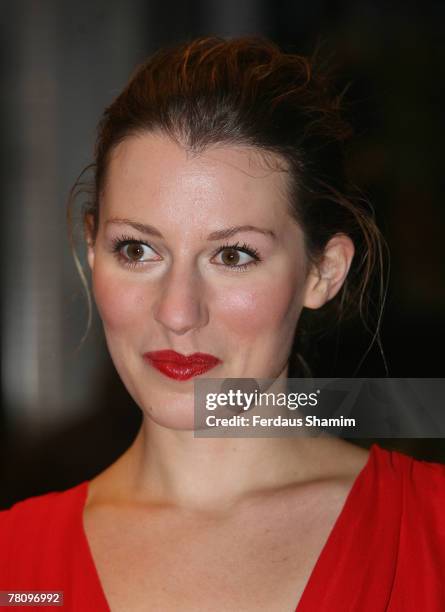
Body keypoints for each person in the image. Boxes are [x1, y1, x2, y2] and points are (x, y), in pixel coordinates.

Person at [1, 37, 444, 611]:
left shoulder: (431, 535)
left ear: (323, 272)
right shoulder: (14, 565)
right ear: (92, 251)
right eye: (137, 250)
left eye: (233, 256)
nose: (178, 312)